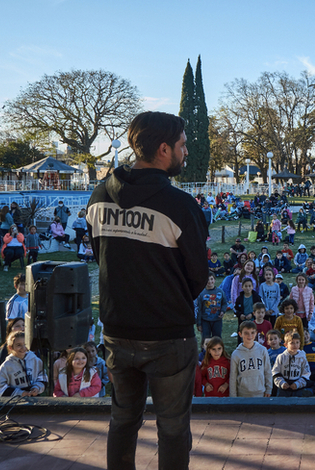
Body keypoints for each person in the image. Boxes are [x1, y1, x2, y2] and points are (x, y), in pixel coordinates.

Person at [86, 111, 209, 469]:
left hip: (117, 330)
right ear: (164, 149)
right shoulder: (181, 206)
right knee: (172, 430)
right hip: (169, 336)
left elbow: (102, 255)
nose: (187, 152)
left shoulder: (98, 196)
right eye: (183, 146)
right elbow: (198, 276)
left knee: (122, 420)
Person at [0, 331, 47, 398]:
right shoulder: (6, 366)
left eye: (25, 344)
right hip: (15, 401)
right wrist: (22, 393)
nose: (23, 348)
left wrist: (36, 388)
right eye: (19, 345)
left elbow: (43, 377)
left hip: (35, 399)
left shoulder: (35, 360)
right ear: (10, 347)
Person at [230, 320, 273, 397]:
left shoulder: (262, 350)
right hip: (243, 393)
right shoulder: (236, 354)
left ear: (256, 333)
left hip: (260, 392)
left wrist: (269, 389)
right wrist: (233, 396)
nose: (250, 336)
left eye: (252, 332)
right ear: (240, 334)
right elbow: (233, 377)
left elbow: (268, 371)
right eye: (246, 333)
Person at [272, 331, 312, 397]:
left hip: (297, 388)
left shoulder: (302, 358)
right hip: (283, 388)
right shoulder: (281, 357)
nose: (295, 345)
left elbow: (306, 373)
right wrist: (281, 383)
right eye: (292, 343)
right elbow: (275, 372)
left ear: (300, 344)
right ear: (286, 345)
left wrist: (298, 384)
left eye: (297, 342)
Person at [195, 275, 227, 343]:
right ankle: (204, 353)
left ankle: (218, 352)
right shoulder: (201, 293)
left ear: (214, 280)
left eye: (211, 279)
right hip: (205, 320)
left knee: (217, 338)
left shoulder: (220, 291)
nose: (210, 281)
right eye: (207, 280)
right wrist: (199, 323)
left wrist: (223, 311)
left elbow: (224, 303)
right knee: (205, 339)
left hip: (217, 320)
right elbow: (199, 309)